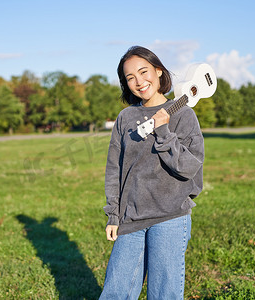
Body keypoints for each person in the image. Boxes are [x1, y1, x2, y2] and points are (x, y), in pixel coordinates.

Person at [100, 46, 205, 300]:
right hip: (131, 219)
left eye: (143, 71)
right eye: (130, 78)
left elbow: (190, 167)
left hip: (170, 218)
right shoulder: (125, 118)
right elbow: (115, 169)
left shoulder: (184, 115)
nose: (139, 81)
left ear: (158, 71)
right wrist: (114, 214)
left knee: (163, 294)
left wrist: (164, 133)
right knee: (116, 292)